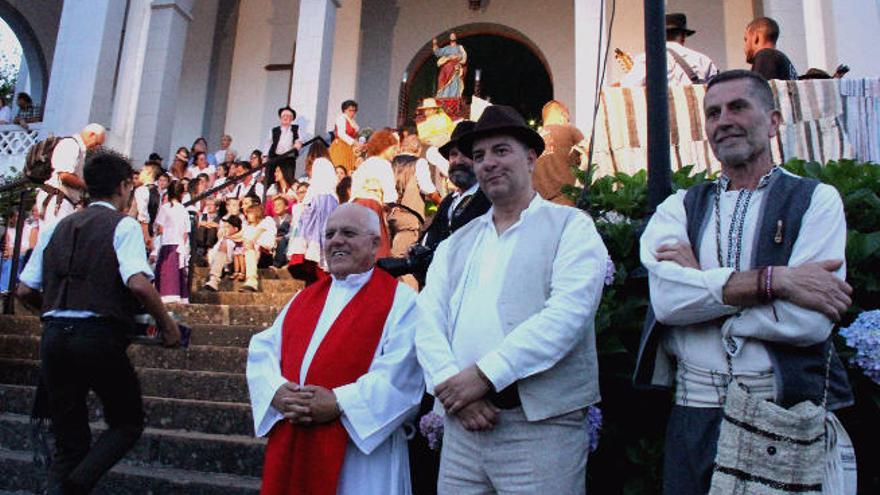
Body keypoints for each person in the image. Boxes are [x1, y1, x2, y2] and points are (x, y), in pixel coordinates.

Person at [634, 70, 854, 494]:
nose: (724, 120)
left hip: (781, 410)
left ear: (772, 122)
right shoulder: (678, 207)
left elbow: (808, 323)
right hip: (693, 413)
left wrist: (702, 286)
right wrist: (776, 281)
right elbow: (668, 305)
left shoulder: (816, 199)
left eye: (738, 107)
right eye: (713, 113)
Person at [415, 105, 608, 494]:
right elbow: (427, 321)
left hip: (539, 429)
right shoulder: (456, 245)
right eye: (480, 155)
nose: (488, 163)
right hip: (463, 428)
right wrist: (453, 390)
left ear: (531, 157)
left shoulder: (571, 227)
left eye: (501, 151)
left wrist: (484, 376)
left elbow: (566, 317)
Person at [15, 149, 181, 494]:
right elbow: (137, 282)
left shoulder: (58, 226)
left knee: (69, 440)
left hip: (55, 336)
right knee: (127, 422)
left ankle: (63, 487)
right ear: (123, 187)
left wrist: (59, 309)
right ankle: (73, 488)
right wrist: (167, 324)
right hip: (97, 336)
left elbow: (24, 289)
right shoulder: (123, 225)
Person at [247, 203, 423, 495]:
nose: (336, 240)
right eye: (329, 234)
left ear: (375, 243)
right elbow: (263, 350)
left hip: (360, 451)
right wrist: (276, 391)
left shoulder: (401, 301)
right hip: (297, 437)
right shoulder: (304, 299)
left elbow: (402, 374)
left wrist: (340, 402)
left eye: (348, 233)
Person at [35, 123, 107, 228]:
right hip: (58, 199)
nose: (96, 148)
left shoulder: (79, 149)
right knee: (55, 237)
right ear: (91, 135)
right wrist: (88, 187)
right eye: (97, 143)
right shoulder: (71, 145)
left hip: (64, 200)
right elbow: (65, 175)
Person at [621, 13, 718, 87]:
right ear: (683, 37)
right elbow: (716, 89)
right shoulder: (704, 60)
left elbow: (628, 86)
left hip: (662, 113)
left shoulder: (646, 59)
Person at [287, 156, 339, 285]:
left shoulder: (315, 193)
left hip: (312, 240)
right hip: (323, 240)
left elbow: (308, 217)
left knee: (314, 278)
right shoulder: (332, 196)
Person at [534, 100, 585, 206]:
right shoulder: (569, 129)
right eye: (567, 118)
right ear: (563, 114)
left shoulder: (534, 139)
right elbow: (588, 157)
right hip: (567, 201)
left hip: (540, 205)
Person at [351, 129, 399, 207]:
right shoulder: (384, 165)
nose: (396, 152)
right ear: (384, 147)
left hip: (357, 207)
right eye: (393, 149)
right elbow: (390, 196)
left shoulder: (365, 164)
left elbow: (354, 191)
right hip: (374, 206)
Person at [240, 202, 277, 292]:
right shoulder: (249, 227)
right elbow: (241, 237)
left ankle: (252, 282)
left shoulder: (267, 220)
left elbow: (256, 235)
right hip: (252, 254)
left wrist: (248, 242)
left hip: (265, 254)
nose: (247, 215)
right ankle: (213, 281)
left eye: (250, 213)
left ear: (256, 213)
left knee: (249, 245)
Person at [129, 161, 162, 251]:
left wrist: (147, 238)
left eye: (142, 171)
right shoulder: (158, 192)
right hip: (150, 233)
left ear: (149, 172)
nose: (140, 173)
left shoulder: (142, 190)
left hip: (137, 234)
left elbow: (143, 217)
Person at [432, 33, 467, 99]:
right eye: (451, 35)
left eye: (454, 35)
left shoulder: (459, 47)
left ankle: (453, 98)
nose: (452, 36)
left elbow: (464, 57)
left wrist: (457, 58)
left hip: (454, 68)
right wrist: (435, 44)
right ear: (449, 38)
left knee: (454, 83)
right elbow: (437, 52)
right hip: (446, 69)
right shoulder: (447, 48)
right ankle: (443, 97)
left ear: (456, 37)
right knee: (441, 81)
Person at [329, 100, 360, 172]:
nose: (352, 113)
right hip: (341, 146)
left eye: (354, 111)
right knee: (341, 166)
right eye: (350, 110)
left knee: (350, 168)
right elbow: (341, 134)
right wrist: (354, 142)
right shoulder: (341, 118)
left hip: (350, 148)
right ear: (344, 110)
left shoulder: (352, 121)